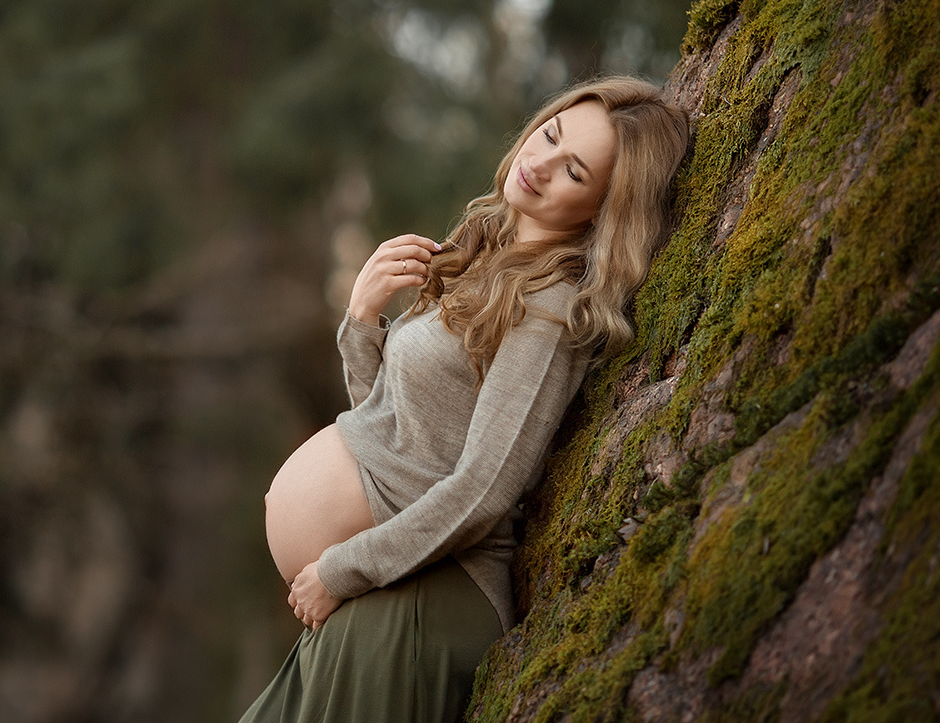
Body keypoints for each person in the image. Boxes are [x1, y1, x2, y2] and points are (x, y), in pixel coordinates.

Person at [244, 76, 689, 723]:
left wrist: (341, 568)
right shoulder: (482, 255)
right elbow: (392, 432)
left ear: (601, 209)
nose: (538, 163)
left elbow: (485, 490)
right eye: (549, 135)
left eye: (572, 171)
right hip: (386, 590)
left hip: (420, 601)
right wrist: (364, 322)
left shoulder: (551, 308)